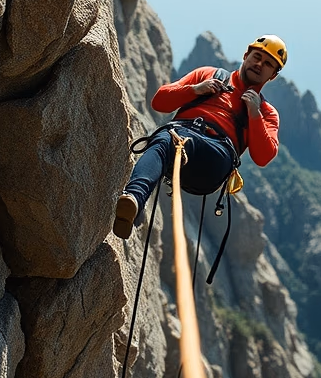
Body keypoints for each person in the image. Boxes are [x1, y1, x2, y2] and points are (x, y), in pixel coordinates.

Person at [113, 35, 287, 238]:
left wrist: (255, 114)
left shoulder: (266, 112)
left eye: (268, 64)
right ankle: (133, 200)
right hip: (181, 135)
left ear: (272, 75)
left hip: (216, 154)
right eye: (257, 57)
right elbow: (159, 102)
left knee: (169, 139)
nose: (259, 64)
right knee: (164, 140)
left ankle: (134, 198)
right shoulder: (209, 74)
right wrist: (195, 90)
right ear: (246, 55)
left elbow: (263, 156)